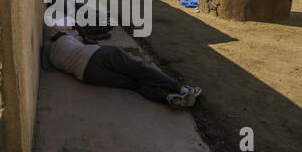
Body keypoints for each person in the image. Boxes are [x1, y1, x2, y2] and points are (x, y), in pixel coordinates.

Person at [46, 32, 202, 108]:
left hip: (88, 75)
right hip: (97, 54)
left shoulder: (53, 59)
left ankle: (166, 96)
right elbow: (84, 39)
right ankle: (181, 88)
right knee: (138, 70)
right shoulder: (65, 38)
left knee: (134, 84)